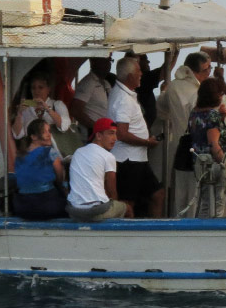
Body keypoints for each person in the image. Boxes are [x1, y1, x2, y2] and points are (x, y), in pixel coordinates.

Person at [107, 56, 163, 218]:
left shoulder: (126, 93)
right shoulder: (123, 98)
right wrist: (147, 142)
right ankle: (124, 237)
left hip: (138, 158)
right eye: (139, 71)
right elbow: (121, 133)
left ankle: (153, 232)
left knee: (157, 194)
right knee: (127, 204)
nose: (141, 74)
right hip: (128, 161)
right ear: (130, 76)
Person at [157, 51, 212, 213]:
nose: (209, 72)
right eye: (207, 69)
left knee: (181, 193)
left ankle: (178, 221)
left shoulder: (174, 86)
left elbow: (161, 108)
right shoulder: (202, 91)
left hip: (179, 145)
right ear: (195, 71)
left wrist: (163, 92)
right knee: (197, 191)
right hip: (200, 146)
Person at [65, 118, 132, 222]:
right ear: (98, 136)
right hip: (95, 212)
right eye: (111, 133)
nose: (115, 138)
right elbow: (112, 191)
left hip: (74, 211)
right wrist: (114, 206)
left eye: (115, 134)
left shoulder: (78, 152)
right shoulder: (108, 156)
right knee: (127, 209)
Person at [186, 78, 226, 218]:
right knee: (218, 202)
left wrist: (221, 118)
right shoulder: (212, 115)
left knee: (204, 200)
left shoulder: (194, 113)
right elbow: (213, 143)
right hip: (214, 164)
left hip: (199, 163)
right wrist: (224, 162)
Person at [12, 119, 66, 220]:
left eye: (49, 131)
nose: (49, 134)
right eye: (44, 132)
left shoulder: (20, 156)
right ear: (33, 137)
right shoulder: (49, 152)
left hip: (22, 207)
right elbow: (60, 177)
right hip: (46, 204)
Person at [12, 72, 72, 146]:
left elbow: (64, 126)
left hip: (54, 150)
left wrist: (47, 108)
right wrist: (19, 114)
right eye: (33, 88)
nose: (36, 91)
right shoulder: (26, 107)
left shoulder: (57, 105)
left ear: (48, 89)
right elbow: (17, 135)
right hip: (33, 151)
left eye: (41, 87)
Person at [70, 56, 113, 137]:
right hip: (91, 133)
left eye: (110, 60)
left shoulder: (106, 84)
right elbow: (75, 110)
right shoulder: (88, 83)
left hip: (106, 132)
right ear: (93, 62)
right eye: (105, 60)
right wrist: (96, 126)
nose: (108, 64)